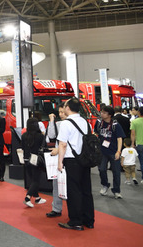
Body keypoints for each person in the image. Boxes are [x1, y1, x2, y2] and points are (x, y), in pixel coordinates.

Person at [57, 97, 95, 230]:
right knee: (86, 190)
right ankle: (89, 220)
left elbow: (62, 144)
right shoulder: (86, 122)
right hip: (85, 159)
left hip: (72, 159)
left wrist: (60, 162)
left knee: (74, 191)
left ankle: (75, 221)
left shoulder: (66, 123)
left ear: (67, 108)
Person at [95, 105, 125, 199]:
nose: (102, 114)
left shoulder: (115, 125)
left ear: (110, 115)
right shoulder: (99, 122)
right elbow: (96, 133)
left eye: (104, 113)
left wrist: (119, 151)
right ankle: (105, 185)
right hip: (102, 151)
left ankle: (116, 190)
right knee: (102, 169)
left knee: (116, 172)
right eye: (101, 112)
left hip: (113, 151)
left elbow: (120, 138)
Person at [45, 107, 68, 218]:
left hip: (69, 157)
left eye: (63, 112)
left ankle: (73, 210)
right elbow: (51, 136)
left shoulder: (71, 124)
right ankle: (56, 209)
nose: (61, 114)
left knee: (70, 185)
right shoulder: (58, 124)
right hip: (57, 157)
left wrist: (59, 149)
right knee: (56, 183)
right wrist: (51, 121)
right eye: (59, 112)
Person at [22, 117, 46, 207]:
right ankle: (27, 197)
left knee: (33, 179)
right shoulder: (40, 136)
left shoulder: (24, 135)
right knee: (36, 180)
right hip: (36, 160)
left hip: (26, 159)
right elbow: (43, 147)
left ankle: (37, 198)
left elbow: (23, 147)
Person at [131, 107, 143, 175]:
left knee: (142, 161)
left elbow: (133, 134)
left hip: (139, 144)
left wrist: (133, 143)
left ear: (139, 112)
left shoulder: (135, 121)